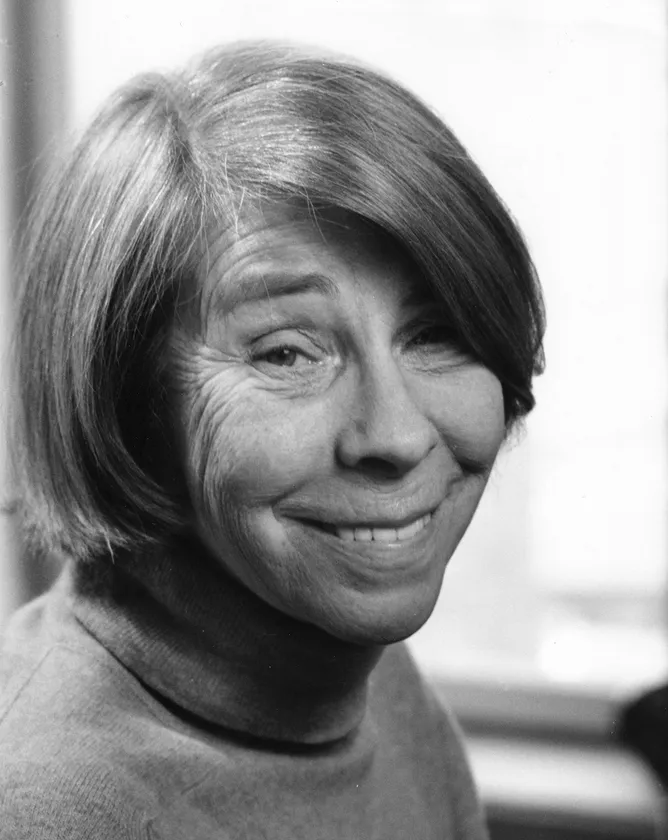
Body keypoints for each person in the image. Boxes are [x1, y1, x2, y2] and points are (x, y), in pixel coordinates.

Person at [0, 40, 545, 839]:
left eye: (437, 333)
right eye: (286, 354)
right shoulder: (51, 807)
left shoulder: (369, 677)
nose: (395, 435)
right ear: (127, 403)